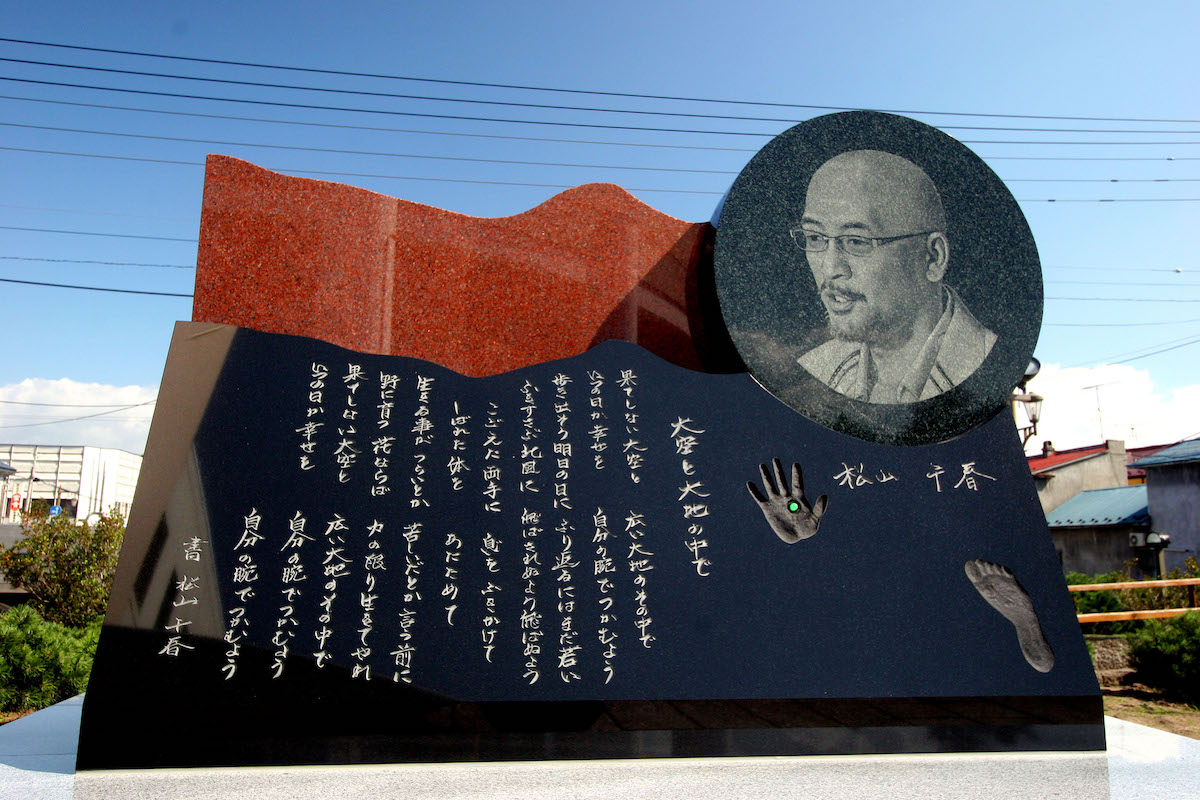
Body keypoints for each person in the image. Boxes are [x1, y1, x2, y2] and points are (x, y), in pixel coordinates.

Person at [794, 150, 996, 404]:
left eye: (857, 241)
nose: (830, 268)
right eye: (814, 238)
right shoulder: (816, 370)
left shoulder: (985, 359)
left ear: (933, 257)